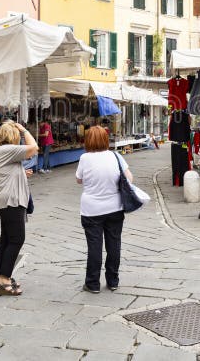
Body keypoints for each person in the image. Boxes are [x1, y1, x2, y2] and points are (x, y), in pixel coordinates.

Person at [75, 125, 132, 293]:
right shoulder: (115, 156)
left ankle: (92, 283)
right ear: (106, 140)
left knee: (94, 246)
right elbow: (129, 178)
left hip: (91, 209)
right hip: (114, 207)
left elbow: (79, 180)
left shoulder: (84, 158)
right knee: (114, 244)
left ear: (88, 141)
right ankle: (113, 280)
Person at [0, 120, 38, 295]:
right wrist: (24, 130)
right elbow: (34, 147)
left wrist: (21, 174)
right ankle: (4, 279)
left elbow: (5, 173)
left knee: (6, 239)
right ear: (13, 136)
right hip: (11, 201)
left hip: (4, 201)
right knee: (17, 239)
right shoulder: (7, 150)